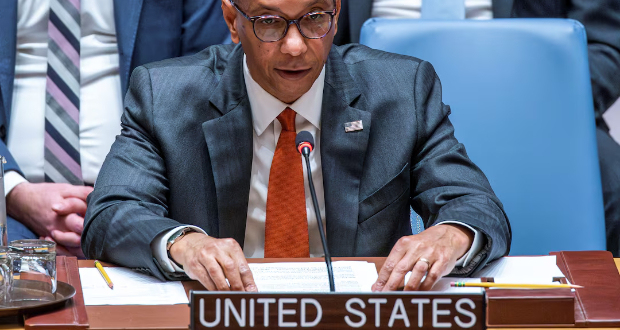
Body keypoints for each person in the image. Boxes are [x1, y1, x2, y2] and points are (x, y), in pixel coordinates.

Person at [82, 0, 511, 292]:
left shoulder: (400, 91)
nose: (295, 46)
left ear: (337, 14)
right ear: (233, 21)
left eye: (314, 19)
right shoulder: (167, 94)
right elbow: (111, 214)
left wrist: (451, 235)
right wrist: (184, 244)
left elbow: (475, 203)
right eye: (269, 22)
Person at [334, 0, 620, 257]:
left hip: (531, 97)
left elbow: (604, 45)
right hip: (376, 102)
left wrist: (531, 107)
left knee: (612, 176)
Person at [0, 0, 230, 255]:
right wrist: (13, 192)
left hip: (152, 203)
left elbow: (208, 77)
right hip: (9, 204)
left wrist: (128, 208)